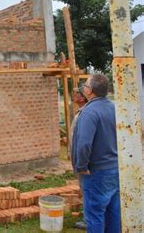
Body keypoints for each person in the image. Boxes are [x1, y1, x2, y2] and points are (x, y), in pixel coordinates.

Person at [71, 74, 120, 232]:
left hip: (96, 171)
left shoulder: (89, 112)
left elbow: (84, 144)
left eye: (85, 85)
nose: (83, 88)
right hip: (115, 169)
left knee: (94, 216)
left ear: (90, 91)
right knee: (114, 214)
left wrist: (81, 166)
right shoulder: (114, 107)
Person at [69, 86, 88, 230]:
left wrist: (81, 163)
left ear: (83, 97)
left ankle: (89, 219)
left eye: (76, 93)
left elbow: (84, 141)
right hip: (80, 159)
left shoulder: (85, 113)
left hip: (84, 162)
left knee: (87, 189)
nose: (73, 95)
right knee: (84, 188)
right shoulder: (80, 112)